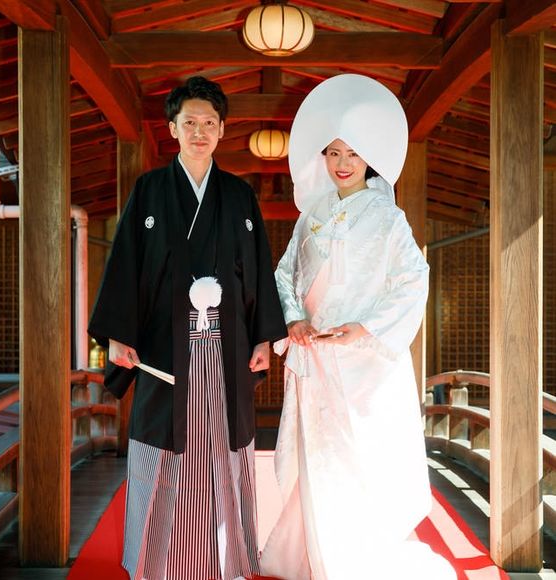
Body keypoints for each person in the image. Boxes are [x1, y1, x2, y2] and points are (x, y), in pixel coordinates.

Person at [88, 76, 287, 580]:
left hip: (227, 346)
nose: (200, 132)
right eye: (190, 122)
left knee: (224, 446)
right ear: (173, 128)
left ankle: (227, 560)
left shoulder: (239, 196)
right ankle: (159, 564)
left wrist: (264, 336)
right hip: (164, 348)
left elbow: (258, 269)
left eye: (209, 123)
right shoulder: (150, 191)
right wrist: (118, 334)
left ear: (222, 130)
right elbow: (126, 264)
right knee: (163, 448)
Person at [259, 75, 457, 579]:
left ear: (369, 158)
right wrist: (294, 318)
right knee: (317, 458)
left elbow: (413, 280)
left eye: (352, 153)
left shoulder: (388, 217)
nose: (342, 163)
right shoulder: (311, 215)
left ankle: (357, 559)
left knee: (363, 458)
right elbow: (284, 274)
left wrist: (365, 327)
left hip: (365, 363)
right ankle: (319, 557)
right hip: (317, 358)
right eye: (333, 153)